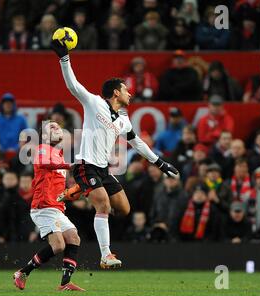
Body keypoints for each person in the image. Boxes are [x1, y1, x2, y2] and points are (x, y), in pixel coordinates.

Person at [51, 38, 178, 268]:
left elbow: (137, 143)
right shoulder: (94, 103)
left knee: (124, 209)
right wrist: (64, 58)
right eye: (126, 90)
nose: (130, 94)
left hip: (103, 170)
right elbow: (73, 85)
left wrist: (160, 163)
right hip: (85, 165)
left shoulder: (123, 121)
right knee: (103, 206)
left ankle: (80, 188)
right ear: (116, 92)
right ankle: (105, 255)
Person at [13, 121, 84, 292]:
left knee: (73, 237)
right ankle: (22, 272)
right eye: (51, 127)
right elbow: (45, 163)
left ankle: (65, 283)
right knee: (59, 245)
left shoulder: (59, 155)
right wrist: (71, 165)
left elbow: (57, 187)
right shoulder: (42, 149)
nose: (57, 128)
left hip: (56, 207)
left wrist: (72, 192)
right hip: (43, 206)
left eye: (59, 126)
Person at [149, 174, 187, 242]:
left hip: (177, 236)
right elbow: (152, 214)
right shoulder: (158, 195)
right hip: (159, 234)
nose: (170, 180)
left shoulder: (184, 196)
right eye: (168, 178)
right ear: (164, 180)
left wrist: (168, 226)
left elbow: (184, 217)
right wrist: (157, 225)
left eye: (173, 178)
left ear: (178, 180)